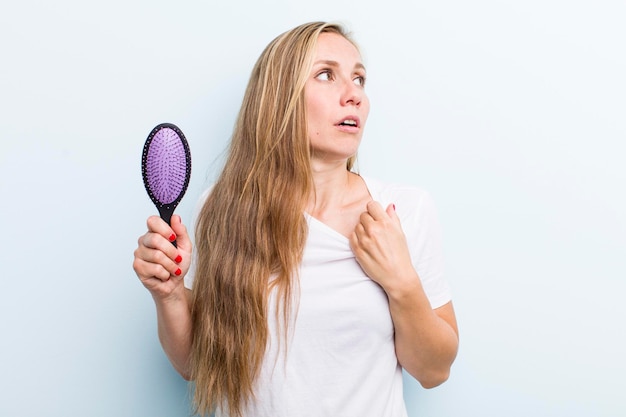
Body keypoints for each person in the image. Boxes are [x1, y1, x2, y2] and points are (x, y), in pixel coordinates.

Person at [133, 21, 459, 417]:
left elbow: (433, 370)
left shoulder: (402, 212)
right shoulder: (221, 209)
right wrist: (169, 295)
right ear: (279, 98)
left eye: (359, 79)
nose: (354, 94)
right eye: (327, 74)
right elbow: (195, 365)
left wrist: (402, 282)